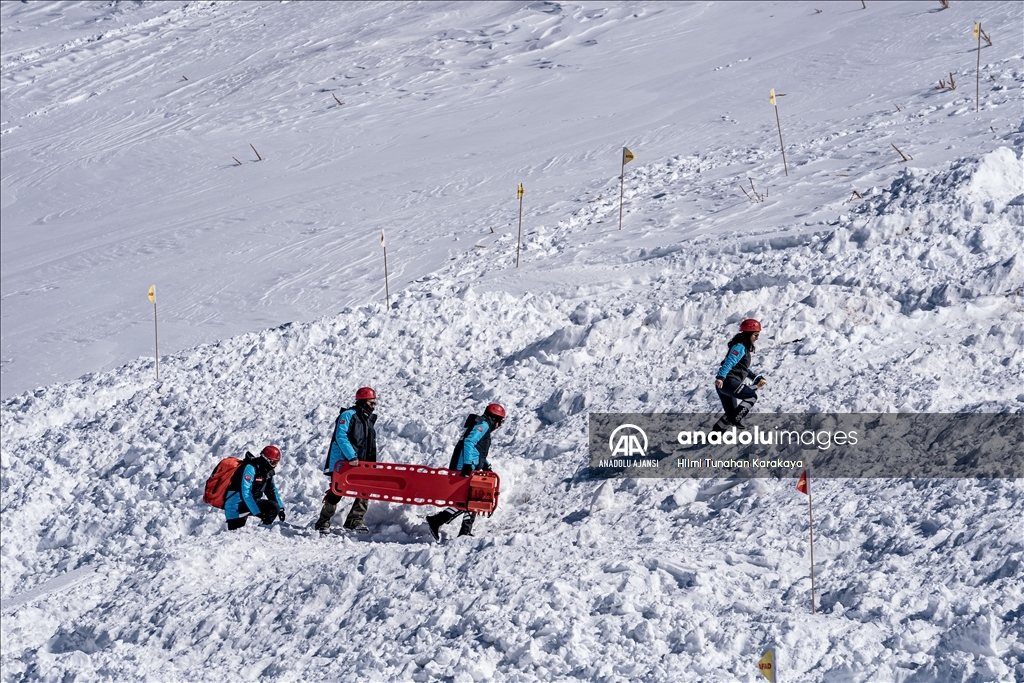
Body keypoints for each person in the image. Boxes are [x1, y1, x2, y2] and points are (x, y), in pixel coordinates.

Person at [426, 403, 505, 542]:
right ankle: (444, 523)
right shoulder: (484, 425)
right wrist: (467, 465)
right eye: (501, 422)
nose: (500, 426)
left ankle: (458, 528)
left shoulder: (483, 425)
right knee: (472, 499)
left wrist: (486, 466)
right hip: (465, 468)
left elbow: (478, 451)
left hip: (470, 466)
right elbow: (468, 442)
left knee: (472, 499)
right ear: (496, 418)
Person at [315, 387, 378, 533]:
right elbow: (341, 436)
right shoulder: (348, 415)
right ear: (362, 402)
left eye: (375, 403)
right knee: (337, 492)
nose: (374, 407)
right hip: (343, 463)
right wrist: (351, 456)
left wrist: (370, 464)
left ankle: (354, 520)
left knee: (364, 490)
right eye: (371, 403)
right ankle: (322, 522)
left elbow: (368, 445)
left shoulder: (367, 420)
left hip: (360, 463)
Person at [713, 319, 767, 430]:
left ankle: (713, 437)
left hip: (725, 384)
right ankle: (735, 418)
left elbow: (742, 368)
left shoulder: (743, 347)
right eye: (755, 335)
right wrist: (720, 377)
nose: (757, 338)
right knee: (751, 396)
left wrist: (755, 377)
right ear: (748, 334)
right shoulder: (739, 347)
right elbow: (729, 362)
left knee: (731, 413)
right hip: (728, 382)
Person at [224, 445, 285, 530]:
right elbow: (245, 493)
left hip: (250, 502)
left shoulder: (267, 472)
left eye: (276, 463)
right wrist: (256, 512)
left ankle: (263, 531)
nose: (275, 466)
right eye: (273, 463)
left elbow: (272, 490)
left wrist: (281, 509)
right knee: (235, 533)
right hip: (236, 504)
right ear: (266, 459)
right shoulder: (250, 468)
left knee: (274, 507)